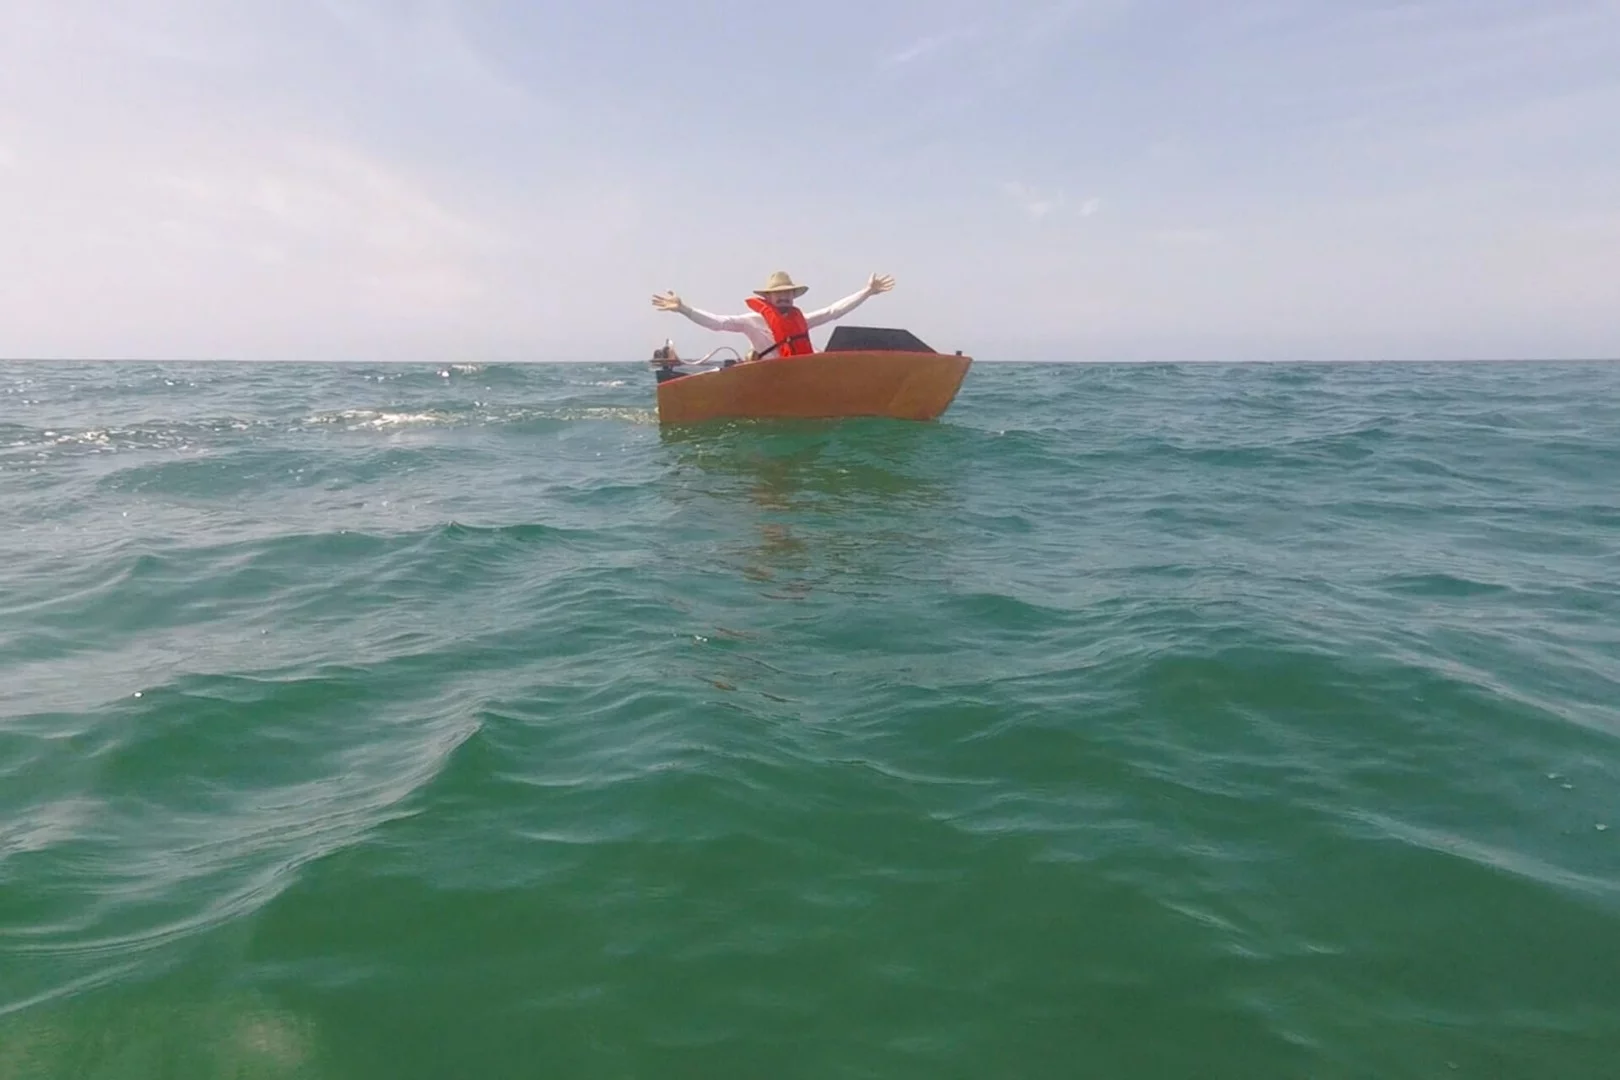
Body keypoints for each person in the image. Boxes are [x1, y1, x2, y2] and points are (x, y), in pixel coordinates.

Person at [651, 271, 895, 360]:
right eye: (778, 294)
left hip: (800, 377)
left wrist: (867, 292)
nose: (784, 298)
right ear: (768, 298)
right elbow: (718, 323)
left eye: (788, 294)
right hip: (767, 378)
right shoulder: (751, 322)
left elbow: (834, 311)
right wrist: (683, 308)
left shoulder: (802, 321)